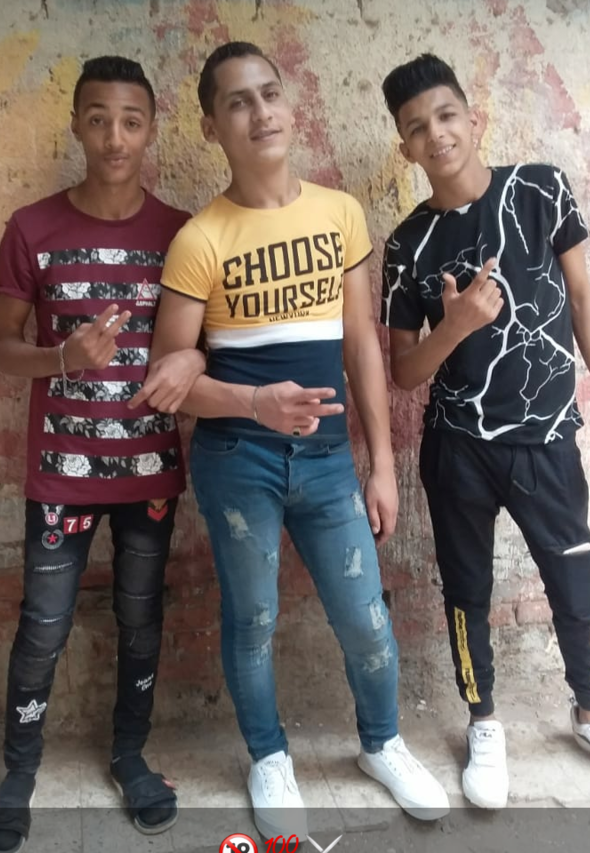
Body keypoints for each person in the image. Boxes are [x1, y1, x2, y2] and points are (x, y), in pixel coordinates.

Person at [131, 41, 450, 840]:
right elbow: (168, 382)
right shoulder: (201, 238)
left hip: (329, 459)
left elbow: (363, 347)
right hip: (237, 462)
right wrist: (252, 402)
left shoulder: (339, 214)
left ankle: (382, 742)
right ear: (211, 126)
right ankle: (269, 755)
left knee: (365, 617)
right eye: (238, 101)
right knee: (253, 620)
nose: (261, 112)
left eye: (269, 93)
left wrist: (381, 465)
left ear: (290, 103)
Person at [0, 56, 204, 853]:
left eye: (131, 121)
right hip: (60, 476)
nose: (114, 137)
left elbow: (207, 345)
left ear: (152, 129)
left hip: (150, 474)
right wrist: (63, 356)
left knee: (141, 621)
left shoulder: (182, 234)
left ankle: (130, 756)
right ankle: (18, 773)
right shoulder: (31, 228)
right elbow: (1, 350)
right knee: (43, 627)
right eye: (98, 118)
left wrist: (192, 361)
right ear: (75, 124)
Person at [380, 53, 590, 809]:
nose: (436, 134)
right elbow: (404, 371)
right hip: (459, 448)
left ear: (475, 119)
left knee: (574, 581)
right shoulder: (408, 244)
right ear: (405, 147)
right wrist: (457, 325)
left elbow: (582, 297)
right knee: (466, 590)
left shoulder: (539, 189)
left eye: (446, 115)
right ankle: (484, 723)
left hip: (546, 437)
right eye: (417, 127)